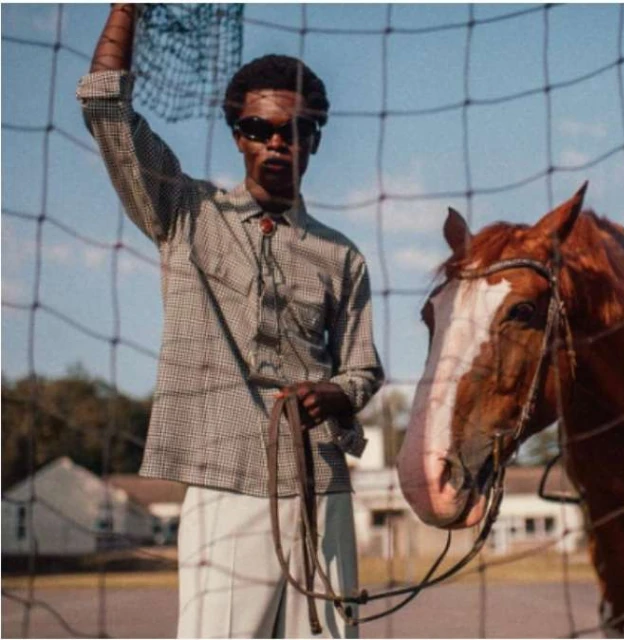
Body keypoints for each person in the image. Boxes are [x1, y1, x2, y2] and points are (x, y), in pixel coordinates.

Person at [77, 5, 384, 638]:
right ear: (237, 133)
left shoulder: (342, 255)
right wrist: (128, 9)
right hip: (225, 481)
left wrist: (334, 393)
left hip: (321, 488)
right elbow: (107, 110)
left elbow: (362, 368)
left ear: (315, 139)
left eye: (295, 129)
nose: (277, 140)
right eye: (258, 126)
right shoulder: (186, 211)